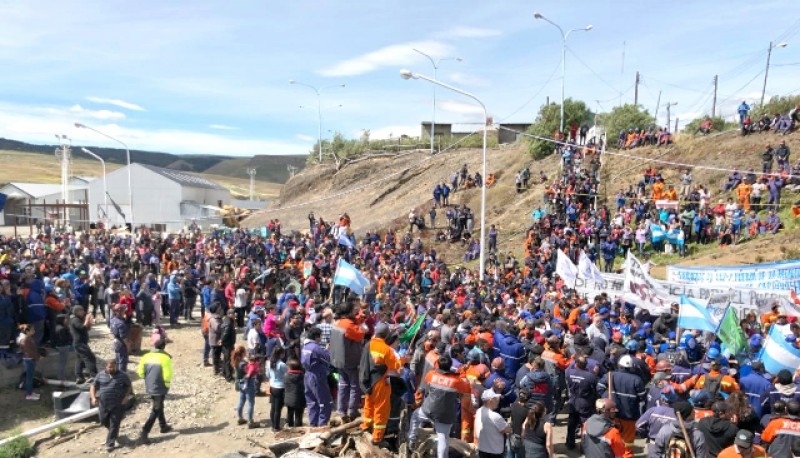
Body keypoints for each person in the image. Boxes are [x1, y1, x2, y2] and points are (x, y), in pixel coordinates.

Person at [408, 354, 471, 458]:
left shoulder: (431, 375)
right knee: (443, 439)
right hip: (445, 416)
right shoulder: (457, 381)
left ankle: (411, 440)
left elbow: (434, 381)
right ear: (450, 366)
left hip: (429, 410)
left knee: (415, 416)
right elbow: (466, 389)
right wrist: (460, 373)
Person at [360, 322, 401, 446]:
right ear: (386, 335)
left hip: (367, 381)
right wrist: (403, 360)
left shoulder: (368, 344)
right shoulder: (386, 349)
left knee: (369, 405)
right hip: (380, 382)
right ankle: (377, 438)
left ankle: (366, 426)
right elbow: (396, 367)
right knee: (381, 410)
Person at [330, 299, 365, 423]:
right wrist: (359, 323)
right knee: (354, 386)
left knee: (343, 385)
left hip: (338, 359)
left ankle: (341, 410)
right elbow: (360, 334)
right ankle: (352, 410)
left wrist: (358, 319)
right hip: (350, 360)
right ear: (349, 311)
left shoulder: (337, 322)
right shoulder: (348, 325)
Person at [137, 336, 174, 444]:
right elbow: (168, 374)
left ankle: (163, 426)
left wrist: (148, 379)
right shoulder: (165, 358)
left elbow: (140, 372)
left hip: (149, 386)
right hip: (160, 386)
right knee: (156, 408)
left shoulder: (145, 356)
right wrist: (166, 385)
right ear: (163, 347)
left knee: (159, 405)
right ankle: (144, 431)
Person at [90, 360, 132, 452]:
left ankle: (110, 443)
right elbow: (93, 386)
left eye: (113, 367)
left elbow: (129, 386)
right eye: (109, 367)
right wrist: (93, 398)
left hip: (118, 404)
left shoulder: (122, 375)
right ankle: (113, 432)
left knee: (114, 423)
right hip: (103, 404)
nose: (111, 369)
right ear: (106, 367)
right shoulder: (100, 375)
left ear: (116, 366)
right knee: (103, 420)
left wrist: (126, 397)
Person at [302, 326, 332, 427]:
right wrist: (327, 350)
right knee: (324, 401)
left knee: (311, 401)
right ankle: (322, 425)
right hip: (317, 376)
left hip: (307, 375)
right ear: (316, 337)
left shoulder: (305, 346)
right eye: (320, 336)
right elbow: (328, 359)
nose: (321, 338)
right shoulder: (316, 348)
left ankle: (313, 424)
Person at [475, 389, 511, 458]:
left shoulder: (479, 411)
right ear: (490, 401)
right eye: (496, 399)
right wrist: (509, 424)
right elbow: (507, 430)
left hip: (482, 449)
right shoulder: (495, 416)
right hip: (494, 452)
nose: (498, 401)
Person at [70, 305, 98, 384]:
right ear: (77, 312)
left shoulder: (79, 319)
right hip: (80, 343)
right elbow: (82, 327)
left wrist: (89, 321)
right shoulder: (75, 320)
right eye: (81, 310)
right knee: (89, 358)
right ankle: (93, 375)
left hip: (81, 343)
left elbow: (86, 329)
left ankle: (79, 377)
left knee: (79, 360)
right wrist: (86, 319)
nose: (83, 312)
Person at [17, 324, 40, 400]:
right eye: (32, 330)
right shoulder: (26, 340)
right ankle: (29, 394)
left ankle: (30, 392)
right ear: (27, 331)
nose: (34, 331)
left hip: (29, 359)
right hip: (29, 360)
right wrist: (37, 357)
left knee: (30, 377)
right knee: (29, 378)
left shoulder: (27, 338)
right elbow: (29, 352)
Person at [268, 346, 287, 431]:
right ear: (281, 354)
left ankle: (273, 424)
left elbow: (268, 375)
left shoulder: (269, 362)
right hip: (280, 387)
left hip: (272, 386)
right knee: (278, 409)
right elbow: (287, 375)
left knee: (273, 407)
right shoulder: (282, 365)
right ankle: (276, 427)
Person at [284, 357, 306, 427]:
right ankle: (298, 428)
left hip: (288, 399)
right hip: (300, 399)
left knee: (290, 414)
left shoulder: (286, 376)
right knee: (298, 416)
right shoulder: (302, 376)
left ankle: (290, 427)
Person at [109, 303, 130, 373]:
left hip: (115, 341)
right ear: (119, 311)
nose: (124, 311)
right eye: (123, 310)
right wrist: (128, 346)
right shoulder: (121, 323)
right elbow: (123, 338)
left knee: (118, 359)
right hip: (121, 343)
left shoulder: (112, 320)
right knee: (123, 361)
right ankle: (121, 376)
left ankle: (117, 373)